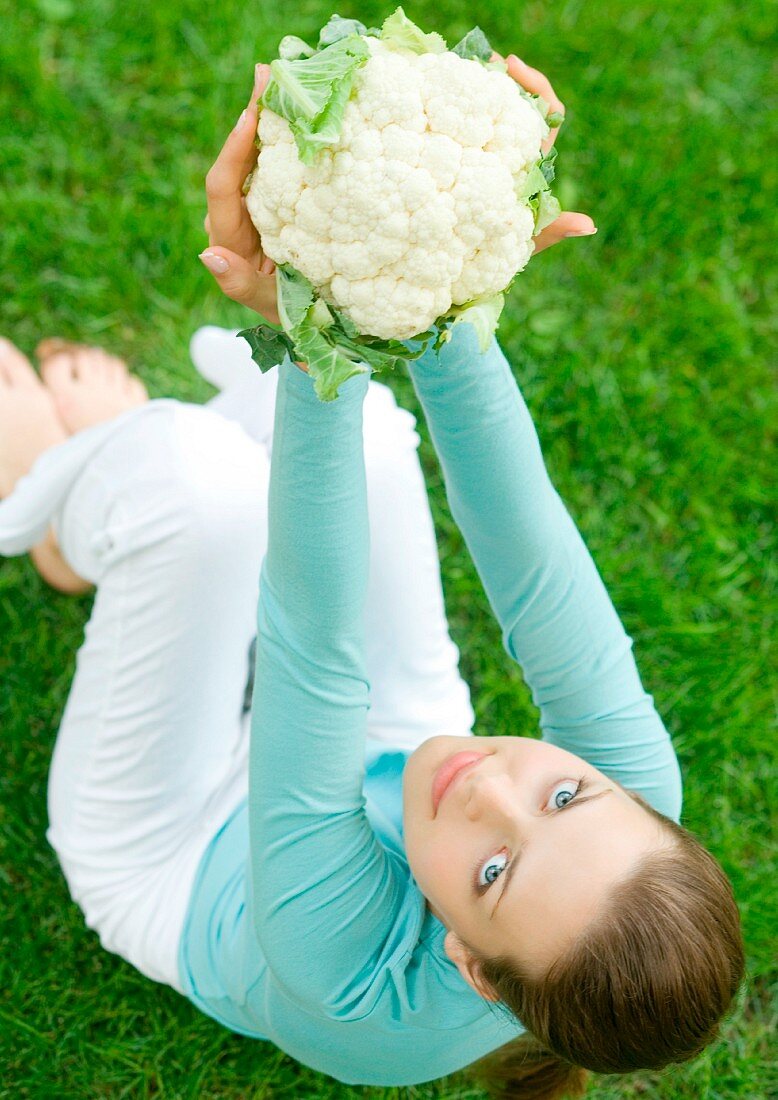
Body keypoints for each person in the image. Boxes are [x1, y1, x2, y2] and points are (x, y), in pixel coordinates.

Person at [0, 55, 744, 1100]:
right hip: (391, 760)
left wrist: (312, 331)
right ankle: (120, 501)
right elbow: (533, 567)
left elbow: (317, 645)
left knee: (195, 488)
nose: (491, 784)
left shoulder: (338, 974)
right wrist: (447, 294)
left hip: (172, 844)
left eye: (497, 872)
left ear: (470, 965)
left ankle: (52, 504)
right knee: (381, 449)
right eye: (564, 790)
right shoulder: (631, 820)